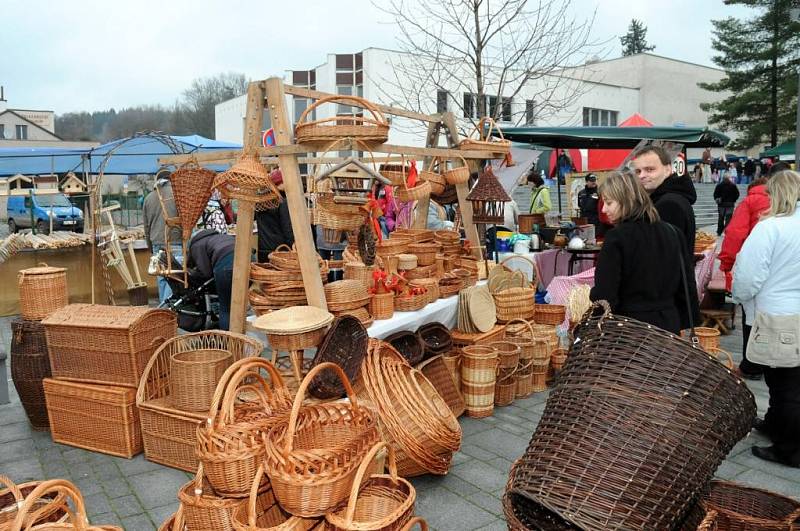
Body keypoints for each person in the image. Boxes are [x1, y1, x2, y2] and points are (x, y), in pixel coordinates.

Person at [732, 170, 800, 467]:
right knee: (789, 379)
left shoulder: (770, 227)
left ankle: (789, 448)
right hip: (792, 308)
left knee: (784, 382)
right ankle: (775, 424)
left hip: (776, 313)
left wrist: (739, 295)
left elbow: (748, 276)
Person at [589, 171, 699, 334]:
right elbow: (687, 286)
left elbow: (605, 295)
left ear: (625, 201)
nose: (604, 209)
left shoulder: (617, 238)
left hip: (629, 331)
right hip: (668, 326)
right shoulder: (673, 232)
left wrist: (595, 327)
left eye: (609, 203)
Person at [719, 161, 790, 379]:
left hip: (755, 270)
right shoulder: (791, 207)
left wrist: (727, 264)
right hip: (786, 278)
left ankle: (753, 365)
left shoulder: (753, 202)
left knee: (752, 318)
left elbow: (735, 235)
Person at [630, 145, 697, 257]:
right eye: (638, 171)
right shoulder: (668, 198)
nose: (642, 176)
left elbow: (662, 256)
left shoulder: (669, 204)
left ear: (668, 170)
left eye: (650, 169)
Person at [142, 176, 182, 303]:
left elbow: (146, 226)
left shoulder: (148, 198)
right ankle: (168, 308)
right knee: (175, 276)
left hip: (156, 242)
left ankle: (163, 308)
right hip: (175, 239)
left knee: (162, 277)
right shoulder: (178, 195)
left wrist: (150, 245)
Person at [187, 229, 235, 330]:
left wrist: (192, 273)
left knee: (226, 308)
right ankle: (241, 337)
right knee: (238, 304)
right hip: (249, 260)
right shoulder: (219, 237)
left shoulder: (196, 245)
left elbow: (205, 273)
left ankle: (228, 341)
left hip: (226, 265)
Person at [255, 169, 294, 262]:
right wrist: (292, 245)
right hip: (280, 250)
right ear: (279, 184)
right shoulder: (282, 202)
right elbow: (287, 228)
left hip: (263, 248)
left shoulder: (260, 201)